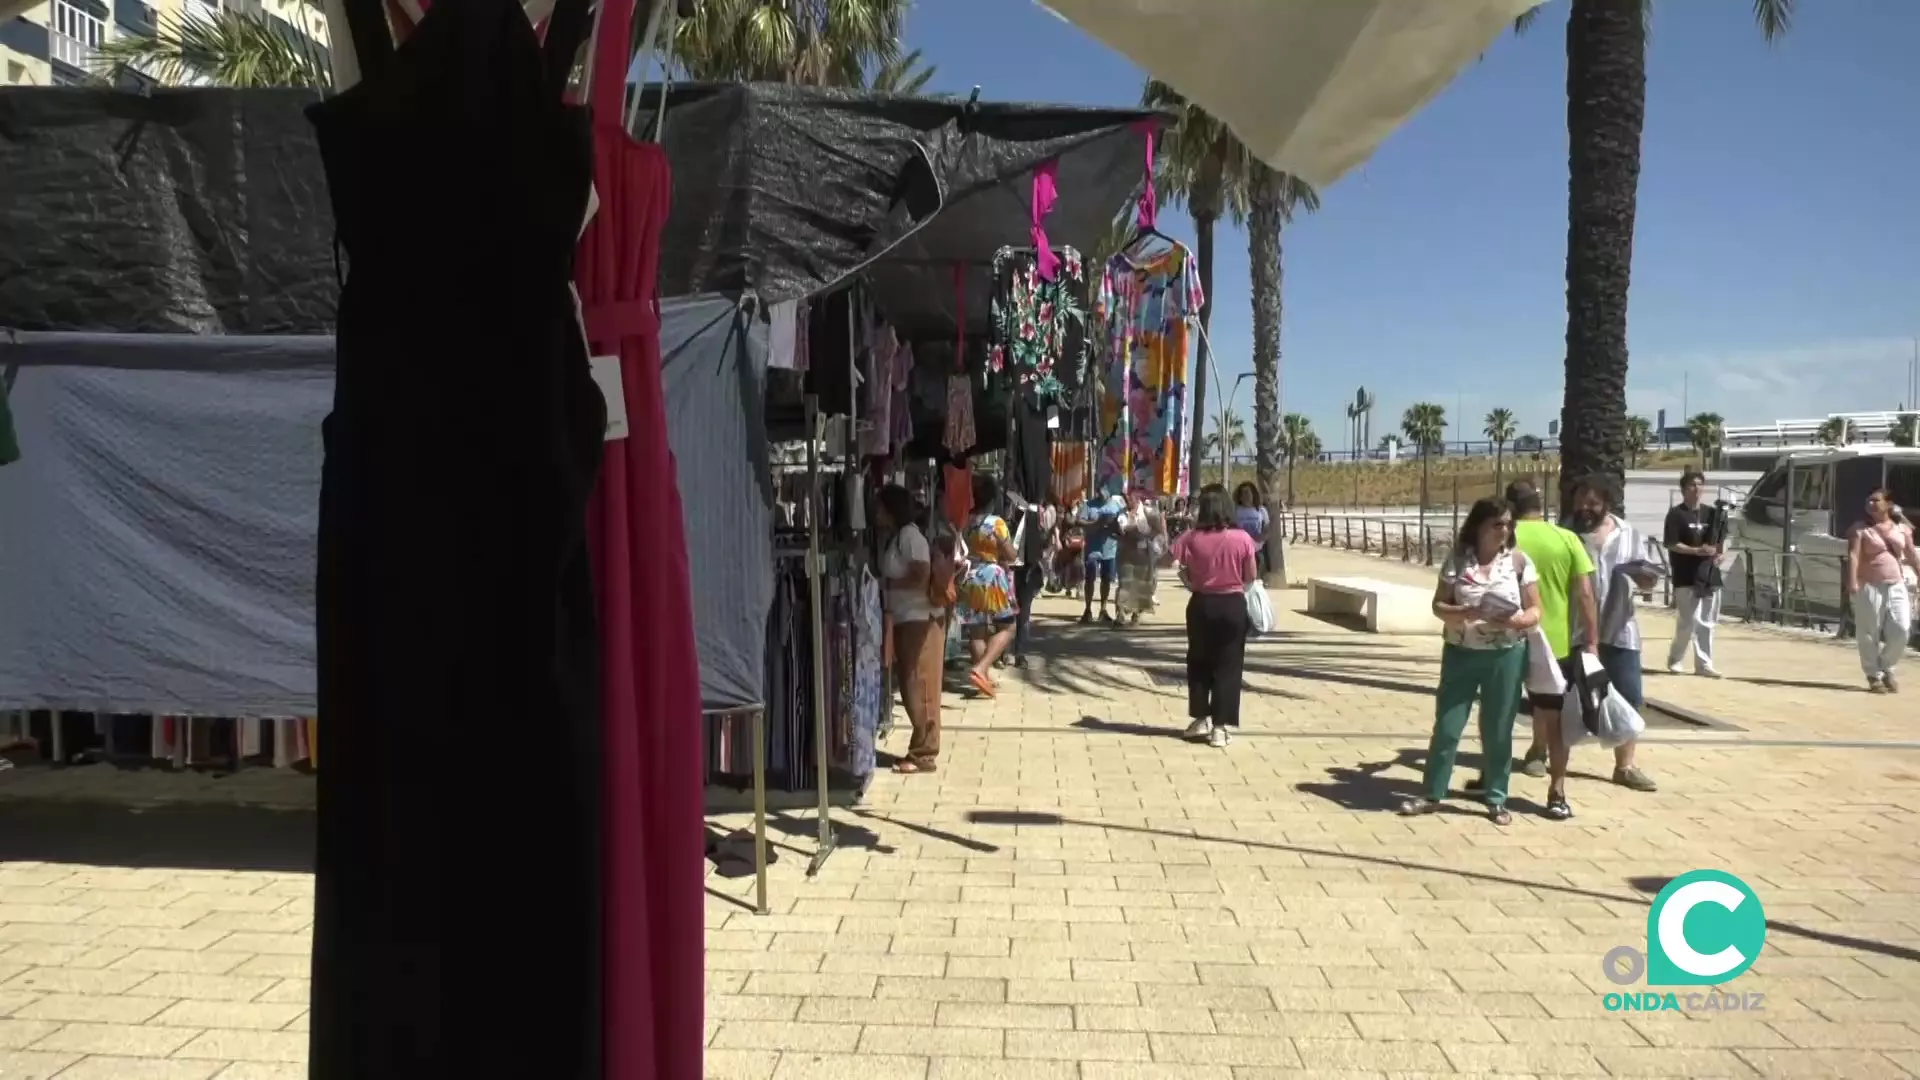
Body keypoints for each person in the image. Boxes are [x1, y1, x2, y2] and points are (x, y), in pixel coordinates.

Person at [1402, 498, 1541, 826]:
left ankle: (1496, 798)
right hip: (1460, 652)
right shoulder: (1457, 560)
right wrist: (1464, 612)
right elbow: (1438, 605)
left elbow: (1536, 609)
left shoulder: (1519, 562)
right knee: (1448, 726)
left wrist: (1517, 621)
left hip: (1505, 655)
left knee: (1498, 729)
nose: (1504, 530)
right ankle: (1432, 793)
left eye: (1508, 524)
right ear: (1479, 526)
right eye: (1497, 524)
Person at [1504, 479, 1599, 822]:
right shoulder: (1567, 538)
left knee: (1498, 715)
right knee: (1556, 722)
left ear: (1510, 508)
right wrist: (1592, 641)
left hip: (1508, 639)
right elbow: (1585, 593)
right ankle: (1557, 792)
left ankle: (1493, 782)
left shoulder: (1504, 537)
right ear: (1540, 506)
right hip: (1554, 644)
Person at [1566, 476, 1660, 792]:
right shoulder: (1565, 534)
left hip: (1621, 629)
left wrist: (1644, 577)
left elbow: (1650, 577)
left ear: (1606, 503)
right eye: (1580, 501)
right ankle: (1542, 753)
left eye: (1592, 503)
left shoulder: (1628, 533)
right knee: (1561, 697)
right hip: (1575, 630)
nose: (1584, 508)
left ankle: (1625, 766)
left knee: (1629, 695)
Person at [1171, 487, 1258, 748]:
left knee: (1198, 662)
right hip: (1232, 605)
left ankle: (1200, 718)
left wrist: (1188, 577)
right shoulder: (1242, 538)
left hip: (1201, 604)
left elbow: (1167, 559)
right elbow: (1251, 576)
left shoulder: (1191, 537)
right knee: (1229, 665)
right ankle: (1220, 727)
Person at [876, 485, 944, 773]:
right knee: (910, 682)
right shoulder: (899, 537)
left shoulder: (909, 536)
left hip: (920, 618)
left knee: (920, 684)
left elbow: (921, 575)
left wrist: (888, 584)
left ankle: (924, 753)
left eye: (880, 507)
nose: (876, 513)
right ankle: (920, 748)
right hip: (907, 618)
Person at [1847, 488, 1920, 693]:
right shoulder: (1860, 529)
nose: (1871, 504)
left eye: (1876, 500)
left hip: (1896, 583)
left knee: (1902, 628)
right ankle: (1873, 674)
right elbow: (1854, 556)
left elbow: (1910, 553)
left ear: (1888, 504)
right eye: (1868, 501)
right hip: (1870, 584)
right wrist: (1852, 581)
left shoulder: (1902, 529)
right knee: (1869, 631)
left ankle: (1886, 665)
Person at [956, 474, 1019, 697]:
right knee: (1008, 627)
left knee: (976, 631)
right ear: (992, 500)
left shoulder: (965, 522)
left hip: (970, 577)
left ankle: (983, 677)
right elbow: (1011, 555)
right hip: (992, 579)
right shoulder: (996, 523)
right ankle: (981, 668)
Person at [1664, 470, 1724, 677]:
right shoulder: (1676, 514)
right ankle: (1676, 659)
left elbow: (1720, 541)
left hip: (1708, 575)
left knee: (1706, 622)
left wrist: (1719, 554)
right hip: (1685, 575)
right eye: (1692, 484)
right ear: (1683, 489)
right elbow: (1672, 543)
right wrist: (1696, 551)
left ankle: (1704, 664)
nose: (1696, 488)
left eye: (1699, 484)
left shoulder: (1712, 514)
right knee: (1687, 621)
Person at [1007, 488, 1051, 668]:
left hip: (1026, 570)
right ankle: (1014, 653)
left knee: (1019, 614)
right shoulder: (1022, 512)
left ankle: (1016, 653)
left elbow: (1044, 543)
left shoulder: (1036, 514)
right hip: (1014, 569)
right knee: (1017, 614)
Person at [1115, 488, 1167, 625]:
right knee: (1124, 583)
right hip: (1126, 552)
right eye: (1127, 499)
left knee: (1140, 584)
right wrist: (1134, 524)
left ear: (1138, 500)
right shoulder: (1122, 514)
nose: (1128, 502)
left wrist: (1151, 536)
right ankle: (1120, 614)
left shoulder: (1148, 513)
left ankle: (1136, 614)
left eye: (1131, 499)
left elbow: (1158, 530)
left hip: (1143, 552)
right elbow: (1123, 529)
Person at [1080, 493, 1124, 624]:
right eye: (1100, 486)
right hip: (1092, 548)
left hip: (1109, 549)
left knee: (1106, 580)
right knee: (1090, 579)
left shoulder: (1116, 505)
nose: (1102, 490)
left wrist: (1114, 525)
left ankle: (1103, 610)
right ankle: (1088, 609)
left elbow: (1121, 527)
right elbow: (1080, 521)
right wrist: (1096, 523)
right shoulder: (1089, 505)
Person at [1232, 481, 1269, 572]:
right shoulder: (1235, 510)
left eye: (1247, 492)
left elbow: (1267, 529)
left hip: (1256, 551)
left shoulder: (1261, 510)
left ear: (1253, 494)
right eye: (1242, 493)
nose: (1245, 496)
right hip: (1239, 551)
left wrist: (1261, 537)